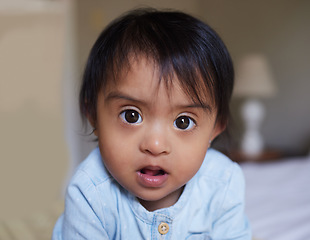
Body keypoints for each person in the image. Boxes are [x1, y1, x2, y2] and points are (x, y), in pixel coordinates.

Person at [53, 8, 251, 239]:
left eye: (183, 122)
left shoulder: (223, 182)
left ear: (215, 128)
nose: (155, 145)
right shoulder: (88, 192)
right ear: (93, 116)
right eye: (131, 116)